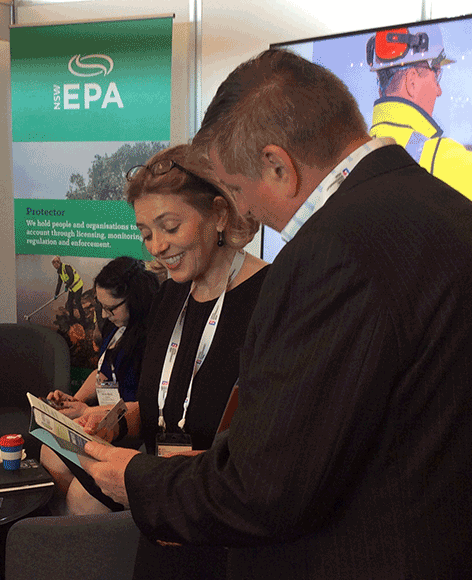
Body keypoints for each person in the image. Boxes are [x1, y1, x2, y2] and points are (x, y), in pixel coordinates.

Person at [82, 49, 472, 579]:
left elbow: (267, 489)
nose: (244, 213)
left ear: (277, 165)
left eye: (239, 191)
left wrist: (137, 478)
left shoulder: (329, 253)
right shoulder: (447, 208)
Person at [81, 144, 268, 577]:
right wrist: (112, 421)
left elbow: (268, 457)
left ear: (219, 214)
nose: (158, 246)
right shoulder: (169, 294)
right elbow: (164, 404)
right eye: (146, 232)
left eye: (169, 226)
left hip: (228, 542)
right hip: (162, 518)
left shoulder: (271, 298)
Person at [41, 256, 160, 515]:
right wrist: (76, 400)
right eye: (101, 307)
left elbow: (143, 407)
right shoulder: (114, 325)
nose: (105, 314)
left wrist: (87, 413)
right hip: (104, 418)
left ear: (135, 301)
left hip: (128, 428)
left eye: (111, 308)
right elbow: (102, 373)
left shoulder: (153, 339)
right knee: (49, 450)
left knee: (81, 495)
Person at [367, 23, 472, 200]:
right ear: (412, 82)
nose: (439, 91)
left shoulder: (354, 158)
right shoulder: (447, 160)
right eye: (436, 74)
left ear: (380, 88)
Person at [52, 256, 86, 323]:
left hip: (78, 286)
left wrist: (66, 286)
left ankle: (83, 318)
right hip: (72, 288)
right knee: (69, 303)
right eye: (54, 265)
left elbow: (72, 277)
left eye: (55, 264)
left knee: (77, 302)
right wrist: (56, 294)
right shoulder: (59, 272)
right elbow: (59, 283)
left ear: (58, 263)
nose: (55, 266)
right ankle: (71, 318)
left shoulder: (66, 268)